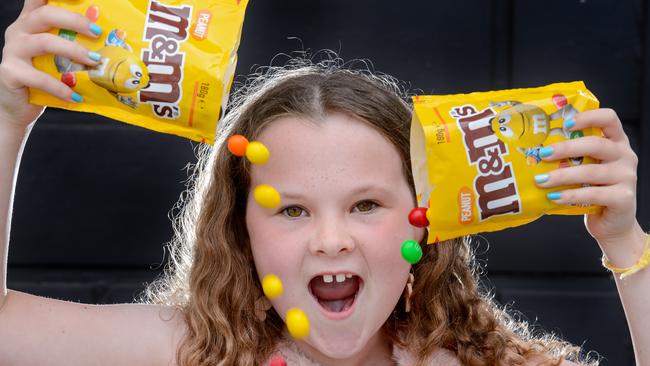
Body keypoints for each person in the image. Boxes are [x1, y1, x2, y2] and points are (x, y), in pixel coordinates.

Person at [0, 1, 648, 365]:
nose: (332, 240)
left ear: (425, 220)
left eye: (366, 204)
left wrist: (626, 247)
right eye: (291, 211)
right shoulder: (194, 353)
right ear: (241, 234)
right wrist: (8, 120)